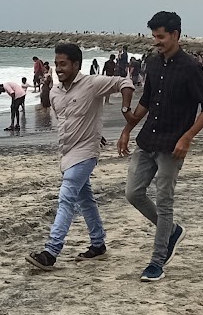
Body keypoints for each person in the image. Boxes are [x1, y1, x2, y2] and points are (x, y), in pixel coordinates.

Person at [119, 11, 203, 283]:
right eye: (154, 37)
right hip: (148, 140)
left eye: (160, 37)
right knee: (133, 193)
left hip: (172, 146)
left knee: (164, 202)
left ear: (175, 35)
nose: (156, 42)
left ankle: (157, 261)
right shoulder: (153, 62)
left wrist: (187, 138)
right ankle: (171, 231)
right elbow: (147, 100)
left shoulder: (190, 67)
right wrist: (127, 128)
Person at [25, 43, 135, 271]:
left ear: (76, 64)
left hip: (85, 153)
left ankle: (51, 252)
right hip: (66, 153)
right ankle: (98, 245)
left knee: (66, 197)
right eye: (56, 64)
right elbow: (68, 121)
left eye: (63, 64)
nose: (59, 68)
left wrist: (126, 111)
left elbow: (124, 81)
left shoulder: (92, 84)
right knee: (85, 200)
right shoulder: (55, 92)